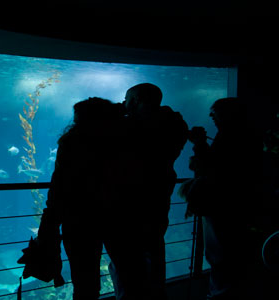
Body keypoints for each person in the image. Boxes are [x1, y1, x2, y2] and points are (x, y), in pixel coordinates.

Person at [35, 97, 149, 299]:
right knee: (130, 275)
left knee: (84, 281)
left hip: (79, 219)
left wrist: (50, 218)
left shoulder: (72, 141)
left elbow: (59, 184)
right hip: (121, 216)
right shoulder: (126, 138)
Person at [111, 83, 188, 299]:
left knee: (124, 260)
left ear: (135, 100)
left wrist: (115, 115)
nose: (124, 104)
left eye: (127, 99)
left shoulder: (131, 127)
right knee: (153, 251)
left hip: (128, 202)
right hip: (158, 195)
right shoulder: (174, 124)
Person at [184, 97, 265, 299]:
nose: (211, 116)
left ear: (229, 114)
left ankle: (222, 293)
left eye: (215, 112)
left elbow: (213, 169)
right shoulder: (247, 135)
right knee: (229, 254)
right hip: (238, 206)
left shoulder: (230, 137)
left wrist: (200, 144)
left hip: (222, 207)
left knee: (221, 254)